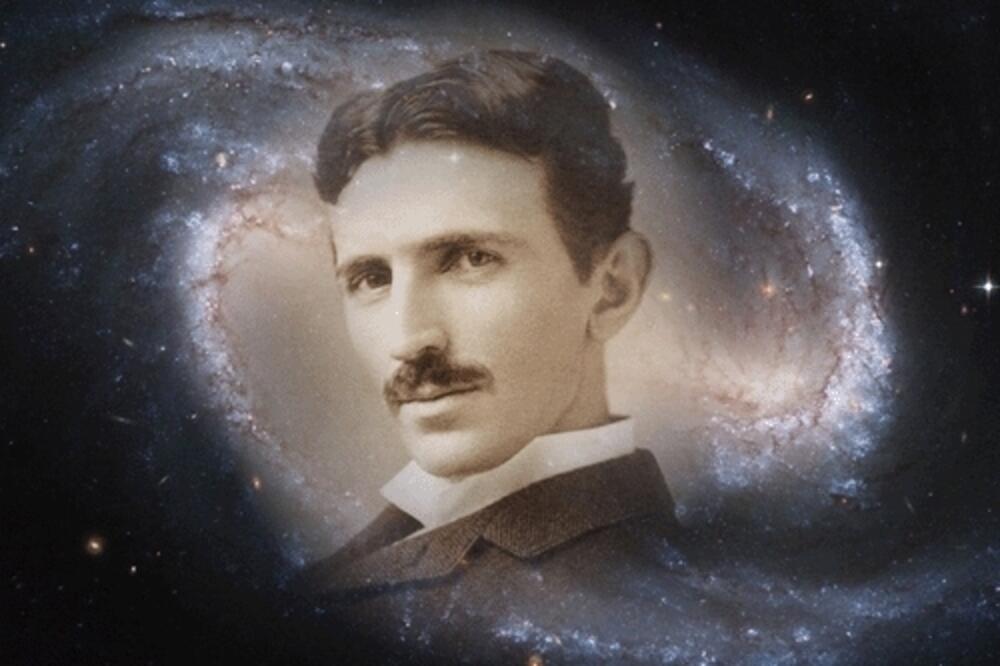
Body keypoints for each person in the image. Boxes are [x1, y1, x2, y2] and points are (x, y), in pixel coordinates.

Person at [296, 50, 703, 662]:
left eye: (470, 259)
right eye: (371, 278)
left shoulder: (597, 617)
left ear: (611, 288)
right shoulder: (391, 553)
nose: (409, 339)